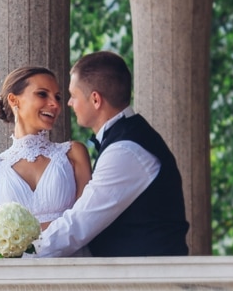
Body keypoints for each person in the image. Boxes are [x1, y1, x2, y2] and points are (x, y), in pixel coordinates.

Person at [33, 51, 189, 257]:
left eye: (74, 96)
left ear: (95, 99)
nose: (69, 103)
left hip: (147, 281)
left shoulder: (125, 151)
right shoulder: (129, 138)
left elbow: (78, 225)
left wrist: (22, 254)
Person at [0, 66, 92, 258]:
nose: (55, 104)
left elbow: (87, 217)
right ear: (13, 100)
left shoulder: (73, 153)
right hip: (17, 276)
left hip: (69, 269)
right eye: (42, 94)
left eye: (58, 97)